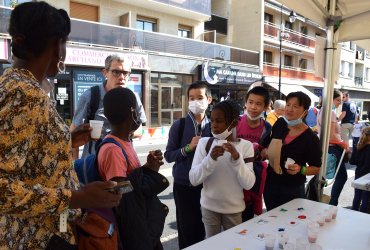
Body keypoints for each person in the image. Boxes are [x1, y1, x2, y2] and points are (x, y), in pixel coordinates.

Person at [0, 2, 121, 249]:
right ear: (57, 46)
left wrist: (67, 140)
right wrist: (77, 197)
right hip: (37, 238)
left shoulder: (19, 85)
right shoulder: (24, 93)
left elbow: (26, 156)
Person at [97, 87, 167, 249]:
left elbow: (130, 181)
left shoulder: (125, 141)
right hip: (132, 232)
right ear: (132, 112)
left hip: (140, 220)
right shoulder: (113, 150)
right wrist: (148, 174)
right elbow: (121, 193)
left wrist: (149, 168)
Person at [189, 100, 256, 238]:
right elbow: (193, 179)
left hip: (234, 209)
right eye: (212, 120)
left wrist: (237, 159)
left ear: (234, 123)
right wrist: (210, 160)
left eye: (219, 121)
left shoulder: (246, 146)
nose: (214, 125)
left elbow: (249, 184)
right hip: (208, 207)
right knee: (211, 244)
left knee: (233, 244)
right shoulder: (204, 143)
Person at [70, 54, 147, 159]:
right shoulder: (90, 96)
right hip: (93, 166)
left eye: (125, 73)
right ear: (105, 73)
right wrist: (74, 167)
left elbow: (140, 130)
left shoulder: (133, 97)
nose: (121, 77)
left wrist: (120, 134)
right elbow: (73, 134)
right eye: (116, 72)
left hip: (123, 162)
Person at [164, 82, 212, 249]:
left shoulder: (214, 127)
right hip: (184, 186)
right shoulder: (180, 125)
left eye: (200, 98)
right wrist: (187, 148)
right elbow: (168, 156)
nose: (195, 102)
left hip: (208, 186)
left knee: (206, 229)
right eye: (192, 98)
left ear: (209, 99)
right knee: (186, 230)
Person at [265, 92, 322, 210]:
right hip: (271, 183)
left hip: (293, 189)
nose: (289, 109)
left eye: (295, 106)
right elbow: (269, 145)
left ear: (305, 112)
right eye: (288, 105)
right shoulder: (280, 123)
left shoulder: (310, 138)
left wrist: (300, 169)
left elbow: (316, 168)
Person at [236, 86, 272, 221]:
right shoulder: (235, 122)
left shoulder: (267, 128)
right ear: (245, 103)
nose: (253, 107)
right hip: (233, 179)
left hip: (252, 180)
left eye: (258, 104)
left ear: (266, 106)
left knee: (247, 219)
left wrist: (264, 153)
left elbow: (265, 151)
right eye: (250, 102)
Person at [317, 89, 349, 206]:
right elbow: (331, 135)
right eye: (338, 100)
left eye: (341, 100)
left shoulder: (323, 111)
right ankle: (332, 202)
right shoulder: (329, 112)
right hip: (333, 147)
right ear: (330, 98)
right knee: (340, 177)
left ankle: (328, 201)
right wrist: (342, 143)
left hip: (329, 147)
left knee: (325, 176)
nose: (339, 103)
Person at [351, 127, 370, 213]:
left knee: (357, 197)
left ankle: (354, 213)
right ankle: (362, 217)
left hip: (358, 175)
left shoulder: (358, 147)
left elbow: (352, 161)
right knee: (365, 199)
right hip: (368, 177)